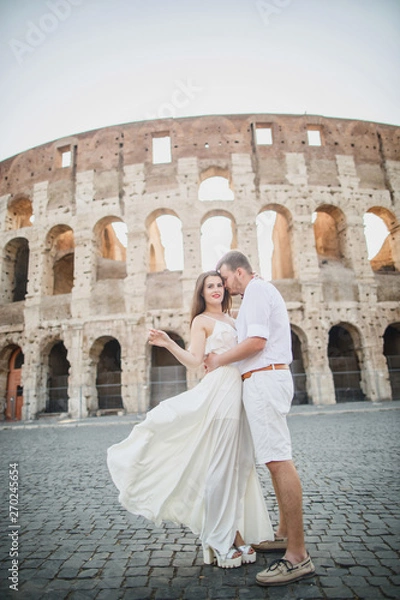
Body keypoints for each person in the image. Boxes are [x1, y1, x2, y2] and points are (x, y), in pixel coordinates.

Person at [107, 270, 274, 569]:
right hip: (221, 390)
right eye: (210, 286)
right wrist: (170, 343)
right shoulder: (201, 321)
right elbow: (196, 361)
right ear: (201, 292)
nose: (216, 290)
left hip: (241, 391)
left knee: (240, 466)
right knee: (222, 466)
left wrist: (254, 282)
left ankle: (235, 533)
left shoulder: (234, 319)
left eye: (220, 285)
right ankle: (219, 539)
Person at [204, 251, 315, 586]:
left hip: (265, 378)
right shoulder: (259, 291)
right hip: (265, 379)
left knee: (279, 460)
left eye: (224, 278)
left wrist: (220, 359)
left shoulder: (254, 292)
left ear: (239, 272)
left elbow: (255, 342)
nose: (223, 285)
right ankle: (283, 534)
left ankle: (297, 555)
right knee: (272, 460)